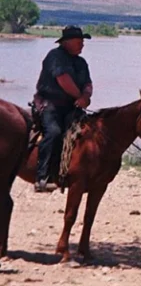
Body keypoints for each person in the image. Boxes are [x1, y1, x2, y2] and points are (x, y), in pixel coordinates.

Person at [32, 26, 93, 192]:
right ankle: (42, 176)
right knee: (54, 132)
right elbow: (63, 79)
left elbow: (88, 83)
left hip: (72, 106)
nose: (82, 45)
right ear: (67, 42)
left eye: (82, 42)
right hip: (50, 104)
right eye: (79, 41)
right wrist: (79, 97)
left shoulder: (81, 62)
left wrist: (86, 97)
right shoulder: (55, 56)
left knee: (88, 132)